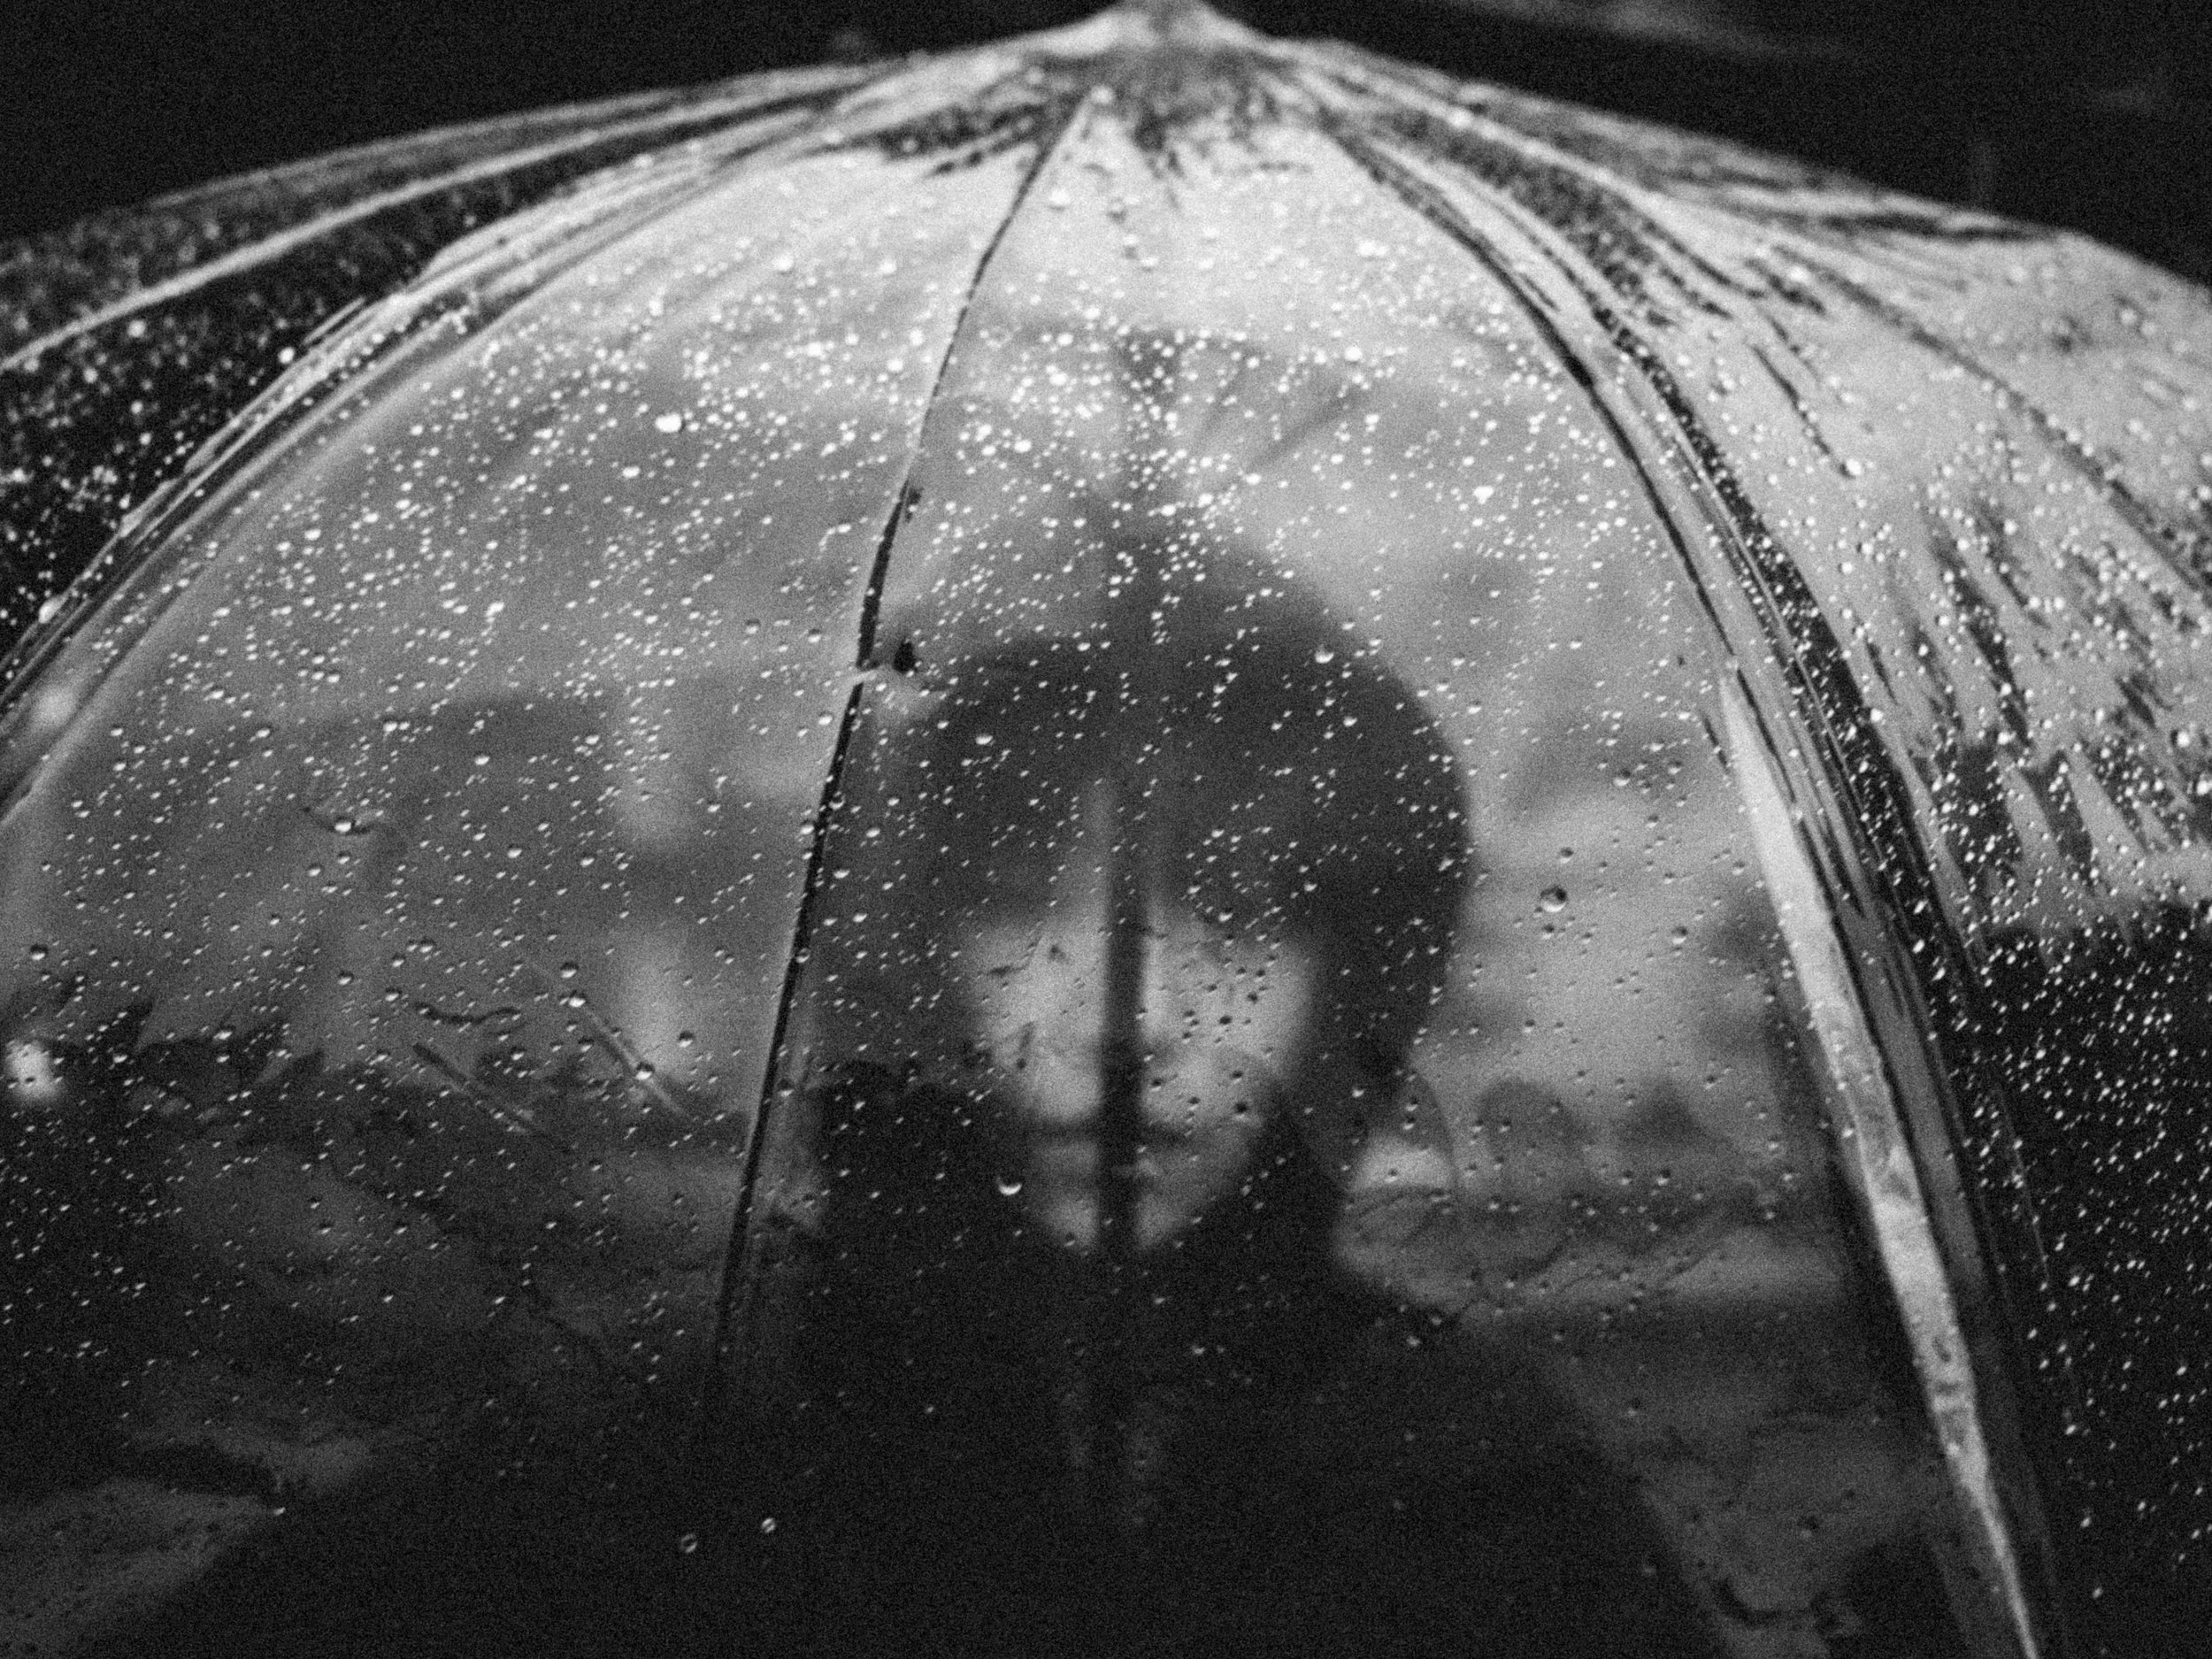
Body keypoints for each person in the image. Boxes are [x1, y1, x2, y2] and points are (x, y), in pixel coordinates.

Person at [704, 589, 1721, 1658]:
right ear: (919, 956)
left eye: (1236, 915)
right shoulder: (728, 1441)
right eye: (1021, 903)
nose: (1130, 1023)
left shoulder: (1471, 1475)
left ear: (1349, 983)